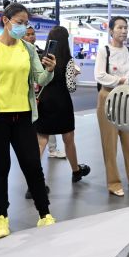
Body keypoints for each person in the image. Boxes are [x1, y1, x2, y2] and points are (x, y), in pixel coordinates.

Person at [0, 3, 57, 238]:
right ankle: (1, 217)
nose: (23, 27)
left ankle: (45, 214)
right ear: (5, 21)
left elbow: (40, 79)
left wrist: (49, 70)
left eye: (26, 23)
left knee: (33, 166)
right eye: (19, 22)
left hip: (24, 117)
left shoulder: (28, 49)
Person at [96, 16, 129, 196]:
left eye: (125, 27)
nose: (124, 31)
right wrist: (122, 80)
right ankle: (114, 183)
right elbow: (100, 75)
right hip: (108, 96)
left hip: (128, 97)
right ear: (111, 30)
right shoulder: (104, 50)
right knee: (109, 143)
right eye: (119, 27)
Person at [34, 25, 91, 184]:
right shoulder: (69, 61)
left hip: (44, 102)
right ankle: (76, 171)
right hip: (62, 103)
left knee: (41, 141)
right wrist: (75, 74)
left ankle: (34, 179)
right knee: (69, 140)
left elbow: (38, 81)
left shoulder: (42, 58)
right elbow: (71, 87)